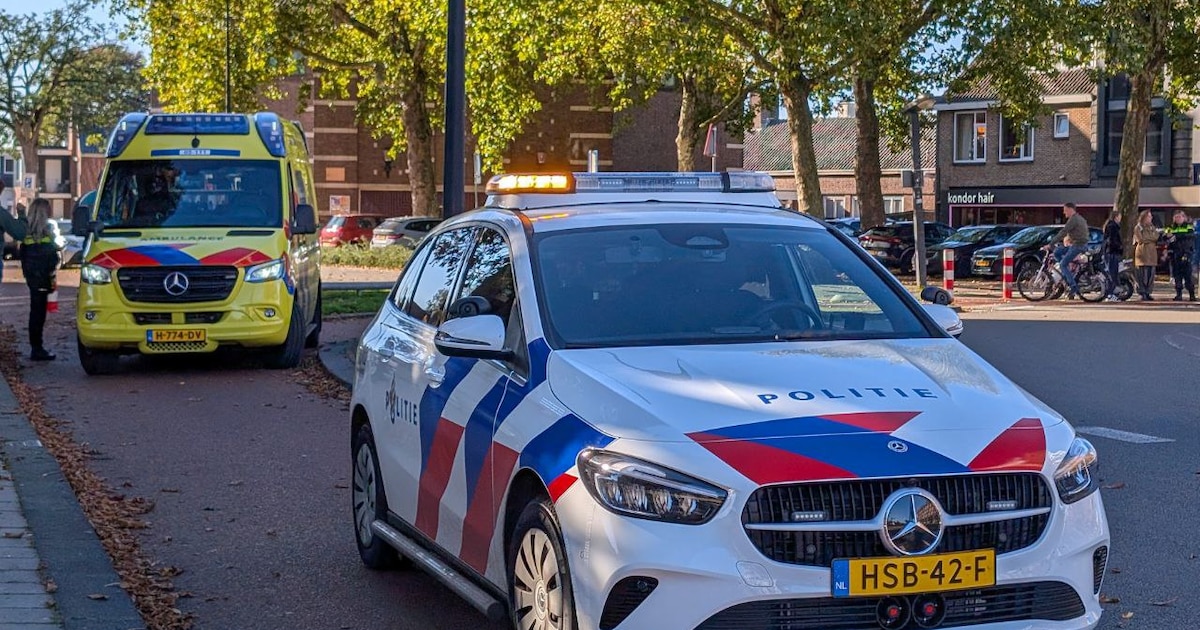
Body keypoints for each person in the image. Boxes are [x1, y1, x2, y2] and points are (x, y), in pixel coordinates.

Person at [19, 198, 62, 360]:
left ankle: (36, 346)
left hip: (32, 279)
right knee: (38, 314)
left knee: (35, 312)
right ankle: (37, 349)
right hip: (43, 278)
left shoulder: (26, 234)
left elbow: (23, 256)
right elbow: (52, 258)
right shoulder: (47, 232)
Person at [1046, 202, 1089, 299]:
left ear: (1070, 209)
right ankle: (1067, 274)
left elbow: (1063, 232)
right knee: (1057, 252)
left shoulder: (1073, 220)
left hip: (1078, 245)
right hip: (1079, 244)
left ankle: (1073, 286)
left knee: (1062, 264)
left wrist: (1051, 243)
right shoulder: (1080, 218)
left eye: (1065, 211)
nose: (1064, 213)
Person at [1162, 210, 1196, 301]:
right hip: (1175, 254)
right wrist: (1168, 237)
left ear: (1183, 217)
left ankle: (1192, 294)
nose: (1178, 219)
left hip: (1186, 253)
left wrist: (1176, 236)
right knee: (1177, 276)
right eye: (1176, 217)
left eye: (1180, 217)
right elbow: (1164, 237)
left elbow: (1190, 237)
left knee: (1188, 276)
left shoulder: (1188, 226)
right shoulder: (1170, 227)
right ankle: (1179, 294)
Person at [1132, 210, 1159, 301]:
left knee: (1151, 275)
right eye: (1149, 216)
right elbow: (1140, 239)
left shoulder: (1152, 227)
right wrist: (1150, 239)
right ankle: (1142, 292)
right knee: (1142, 274)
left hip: (1152, 254)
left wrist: (1149, 238)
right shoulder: (1138, 227)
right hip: (1142, 254)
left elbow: (1156, 237)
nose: (1151, 218)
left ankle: (1148, 292)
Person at [1101, 210, 1122, 301]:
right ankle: (1110, 293)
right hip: (1112, 252)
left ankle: (1111, 293)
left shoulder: (1110, 226)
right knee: (1112, 273)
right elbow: (1112, 240)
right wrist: (1119, 247)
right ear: (1116, 217)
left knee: (1111, 272)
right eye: (1120, 216)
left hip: (1110, 252)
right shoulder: (1113, 227)